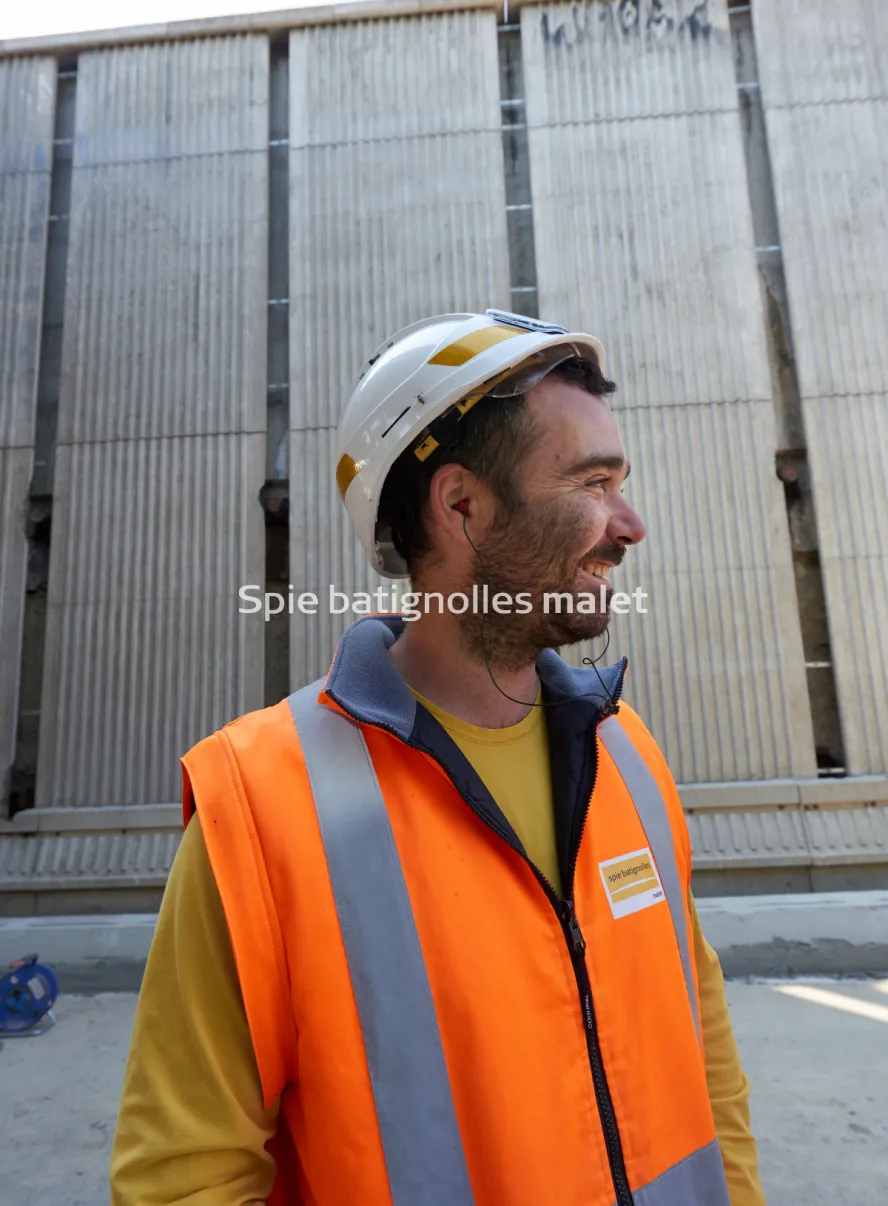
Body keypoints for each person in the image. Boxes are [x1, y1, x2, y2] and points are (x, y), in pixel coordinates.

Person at [110, 310, 766, 1205]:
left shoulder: (628, 751)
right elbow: (182, 1176)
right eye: (593, 482)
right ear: (462, 506)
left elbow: (705, 1048)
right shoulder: (260, 806)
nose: (631, 523)